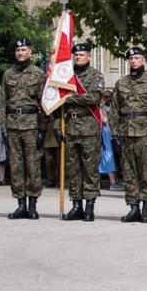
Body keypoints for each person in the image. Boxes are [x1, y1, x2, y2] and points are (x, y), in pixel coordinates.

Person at [110, 46, 147, 223]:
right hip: (126, 133)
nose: (134, 61)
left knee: (146, 171)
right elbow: (114, 111)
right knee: (129, 172)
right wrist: (115, 135)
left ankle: (146, 208)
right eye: (131, 59)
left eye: (137, 58)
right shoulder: (121, 83)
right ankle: (133, 207)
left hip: (145, 133)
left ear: (144, 60)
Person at [0, 38, 46, 220]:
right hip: (12, 124)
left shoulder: (38, 74)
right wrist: (3, 126)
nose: (20, 53)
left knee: (33, 165)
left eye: (23, 50)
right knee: (16, 166)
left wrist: (42, 128)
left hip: (31, 124)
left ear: (30, 52)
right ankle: (20, 205)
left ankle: (32, 205)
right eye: (17, 50)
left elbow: (44, 104)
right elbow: (2, 102)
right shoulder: (7, 74)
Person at [58, 42, 105, 222]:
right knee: (73, 169)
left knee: (90, 169)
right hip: (69, 127)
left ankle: (89, 207)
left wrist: (69, 98)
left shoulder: (96, 76)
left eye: (82, 55)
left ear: (89, 56)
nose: (78, 57)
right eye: (76, 55)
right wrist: (57, 126)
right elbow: (58, 104)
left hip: (88, 127)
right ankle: (76, 205)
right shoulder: (65, 76)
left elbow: (93, 98)